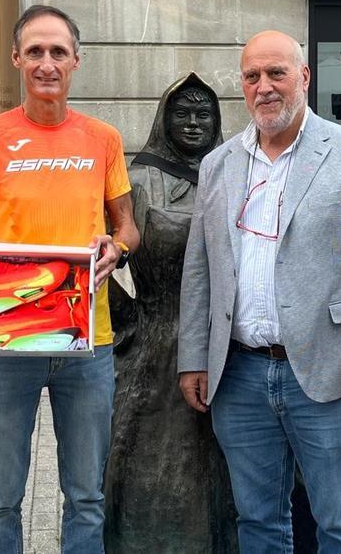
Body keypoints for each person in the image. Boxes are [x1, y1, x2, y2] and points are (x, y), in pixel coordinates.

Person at [178, 30, 341, 552]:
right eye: (252, 76)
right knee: (257, 522)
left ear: (303, 77)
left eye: (276, 73)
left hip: (327, 374)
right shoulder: (218, 164)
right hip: (238, 375)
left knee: (340, 523)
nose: (264, 87)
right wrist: (194, 356)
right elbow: (200, 269)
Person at [0, 5, 140, 554]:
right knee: (1, 495)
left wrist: (115, 248)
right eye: (36, 52)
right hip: (4, 342)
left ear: (76, 61)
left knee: (86, 495)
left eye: (59, 52)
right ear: (16, 59)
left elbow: (128, 227)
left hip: (87, 340)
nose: (47, 64)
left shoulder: (103, 139)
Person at [103, 73, 235, 553]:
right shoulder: (135, 182)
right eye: (183, 112)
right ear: (164, 118)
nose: (195, 122)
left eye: (205, 113)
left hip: (226, 345)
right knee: (144, 463)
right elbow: (90, 255)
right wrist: (125, 320)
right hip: (154, 346)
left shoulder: (236, 176)